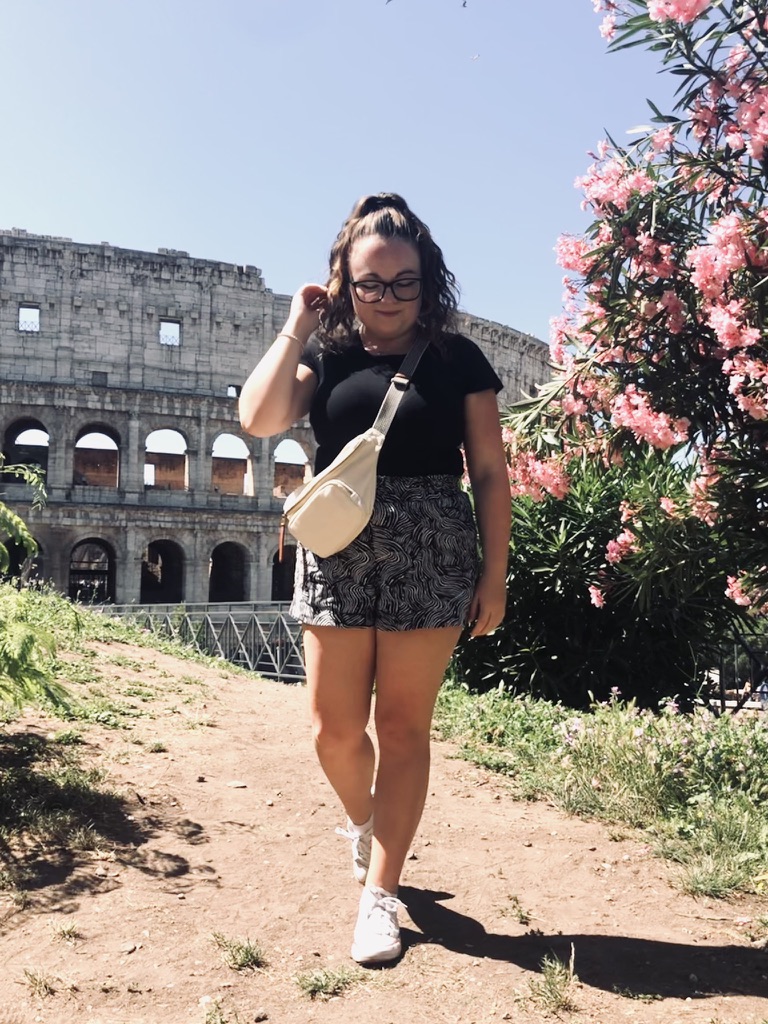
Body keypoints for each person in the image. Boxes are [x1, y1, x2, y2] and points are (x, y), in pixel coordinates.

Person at [239, 193, 510, 965]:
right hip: (337, 547)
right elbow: (259, 419)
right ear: (344, 281)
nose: (388, 297)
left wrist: (496, 575)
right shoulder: (324, 352)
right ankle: (366, 822)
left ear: (429, 282)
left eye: (404, 281)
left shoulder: (459, 359)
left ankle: (381, 895)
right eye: (370, 282)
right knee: (331, 730)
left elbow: (489, 473)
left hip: (432, 546)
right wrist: (298, 320)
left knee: (401, 729)